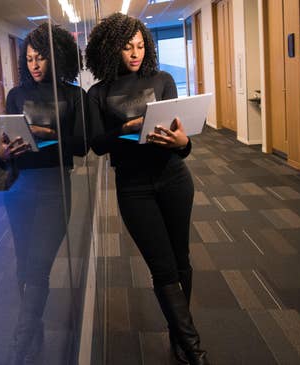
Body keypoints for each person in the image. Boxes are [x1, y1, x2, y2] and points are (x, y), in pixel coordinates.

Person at [84, 13, 209, 365]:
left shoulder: (164, 79)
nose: (135, 53)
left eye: (140, 46)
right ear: (111, 49)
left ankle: (179, 335)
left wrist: (183, 141)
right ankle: (194, 348)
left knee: (181, 258)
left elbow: (181, 145)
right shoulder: (99, 93)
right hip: (134, 187)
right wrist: (133, 126)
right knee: (162, 265)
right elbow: (97, 143)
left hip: (174, 179)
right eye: (127, 47)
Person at [0, 23, 87, 364]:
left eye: (41, 58)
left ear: (56, 56)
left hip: (54, 186)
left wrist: (47, 132)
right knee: (24, 265)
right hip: (20, 186)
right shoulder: (15, 96)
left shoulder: (73, 95)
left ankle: (21, 342)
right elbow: (5, 150)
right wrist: (2, 155)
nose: (34, 64)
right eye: (30, 58)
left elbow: (81, 147)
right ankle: (31, 329)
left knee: (38, 265)